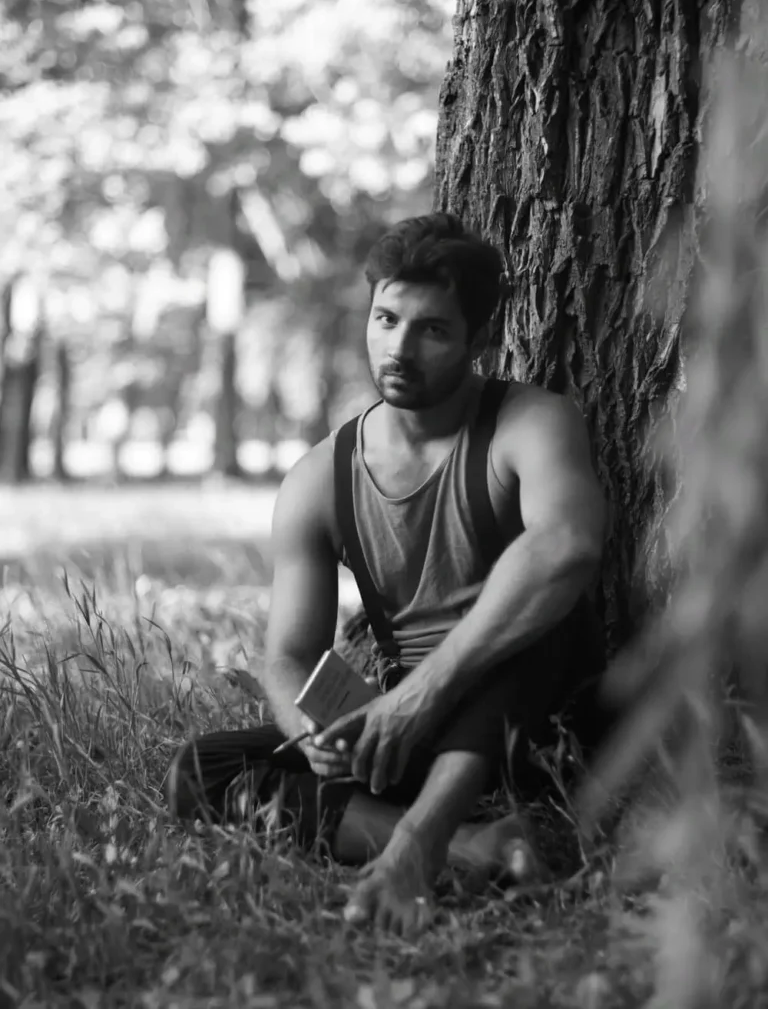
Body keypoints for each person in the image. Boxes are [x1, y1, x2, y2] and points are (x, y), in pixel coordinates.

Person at [165, 213, 607, 933]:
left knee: (536, 607)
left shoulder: (531, 423)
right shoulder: (319, 477)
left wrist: (424, 694)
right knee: (201, 771)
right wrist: (313, 732)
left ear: (479, 340)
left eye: (432, 329)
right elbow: (289, 655)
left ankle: (417, 843)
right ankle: (478, 845)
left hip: (540, 715)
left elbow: (569, 547)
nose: (399, 347)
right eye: (386, 319)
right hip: (415, 727)